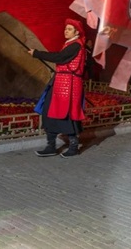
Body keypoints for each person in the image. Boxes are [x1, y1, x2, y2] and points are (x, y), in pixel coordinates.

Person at [28, 18, 86, 158]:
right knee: (49, 111)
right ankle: (51, 146)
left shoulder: (76, 45)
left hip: (70, 85)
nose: (66, 31)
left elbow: (60, 57)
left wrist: (37, 53)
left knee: (68, 115)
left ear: (77, 32)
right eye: (66, 28)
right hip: (60, 82)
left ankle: (73, 147)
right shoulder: (69, 44)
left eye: (69, 29)